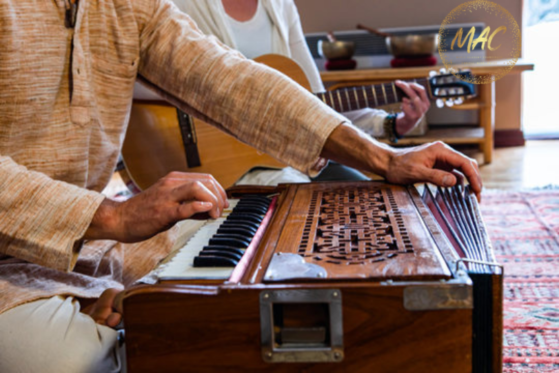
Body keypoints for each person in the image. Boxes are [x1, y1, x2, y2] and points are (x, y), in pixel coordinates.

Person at [0, 0, 481, 372]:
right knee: (87, 360)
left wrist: (384, 156)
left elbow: (230, 80)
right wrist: (114, 216)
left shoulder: (128, 5)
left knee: (246, 255)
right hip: (19, 264)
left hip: (91, 243)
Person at [134, 0, 431, 184]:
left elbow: (316, 102)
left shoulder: (281, 6)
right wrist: (208, 99)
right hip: (205, 163)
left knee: (370, 196)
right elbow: (133, 75)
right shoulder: (177, 2)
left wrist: (390, 123)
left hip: (280, 156)